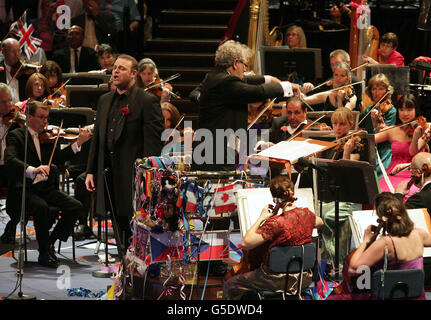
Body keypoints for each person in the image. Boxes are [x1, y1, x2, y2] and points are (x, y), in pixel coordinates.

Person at [85, 54, 164, 255]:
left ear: (133, 73)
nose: (116, 71)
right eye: (115, 68)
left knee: (134, 220)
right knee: (117, 220)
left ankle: (136, 269)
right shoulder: (104, 100)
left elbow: (153, 143)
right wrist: (91, 170)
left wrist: (147, 176)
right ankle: (123, 265)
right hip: (108, 170)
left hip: (133, 175)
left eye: (121, 68)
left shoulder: (147, 100)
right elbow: (98, 139)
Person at [4, 101, 92, 267]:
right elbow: (10, 160)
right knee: (42, 207)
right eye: (41, 117)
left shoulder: (46, 138)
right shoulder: (16, 136)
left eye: (47, 118)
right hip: (24, 190)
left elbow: (58, 158)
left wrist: (78, 142)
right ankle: (45, 252)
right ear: (30, 117)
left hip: (44, 189)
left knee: (76, 206)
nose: (45, 121)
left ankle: (49, 243)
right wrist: (32, 169)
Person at [195, 40, 300, 171]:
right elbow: (256, 92)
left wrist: (268, 78)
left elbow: (247, 79)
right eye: (244, 65)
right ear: (235, 63)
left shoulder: (216, 77)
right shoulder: (225, 82)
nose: (245, 69)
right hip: (216, 155)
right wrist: (287, 86)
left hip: (217, 150)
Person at [222, 175, 323, 300]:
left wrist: (261, 218)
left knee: (232, 284)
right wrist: (299, 214)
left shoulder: (276, 223)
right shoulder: (307, 215)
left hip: (276, 280)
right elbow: (320, 222)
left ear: (275, 198)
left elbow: (246, 243)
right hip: (304, 278)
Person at [329, 192, 431, 300]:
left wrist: (366, 241)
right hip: (417, 297)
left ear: (382, 219)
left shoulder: (385, 243)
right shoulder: (420, 234)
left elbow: (353, 269)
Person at [318, 107, 369, 272]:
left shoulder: (358, 145)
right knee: (314, 212)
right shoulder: (333, 145)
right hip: (333, 197)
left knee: (325, 216)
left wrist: (346, 150)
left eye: (342, 124)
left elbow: (347, 172)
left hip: (350, 198)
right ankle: (329, 261)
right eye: (334, 123)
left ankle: (331, 263)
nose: (337, 128)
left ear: (351, 124)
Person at [375, 94, 424, 200]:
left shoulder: (424, 129)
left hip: (415, 175)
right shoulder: (393, 130)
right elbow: (370, 139)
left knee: (405, 195)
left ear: (416, 110)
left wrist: (416, 135)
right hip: (393, 172)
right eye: (401, 109)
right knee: (380, 194)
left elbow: (413, 153)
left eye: (409, 109)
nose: (405, 113)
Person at [359, 73, 396, 178]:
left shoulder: (391, 111)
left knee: (378, 173)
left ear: (386, 91)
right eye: (374, 89)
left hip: (383, 151)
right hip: (368, 148)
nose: (376, 92)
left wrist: (376, 122)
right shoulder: (368, 110)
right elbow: (357, 125)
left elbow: (384, 134)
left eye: (380, 89)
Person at [0, 38, 33, 104]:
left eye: (18, 51)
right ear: (3, 51)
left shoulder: (24, 71)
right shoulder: (0, 69)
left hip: (22, 109)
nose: (17, 54)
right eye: (13, 51)